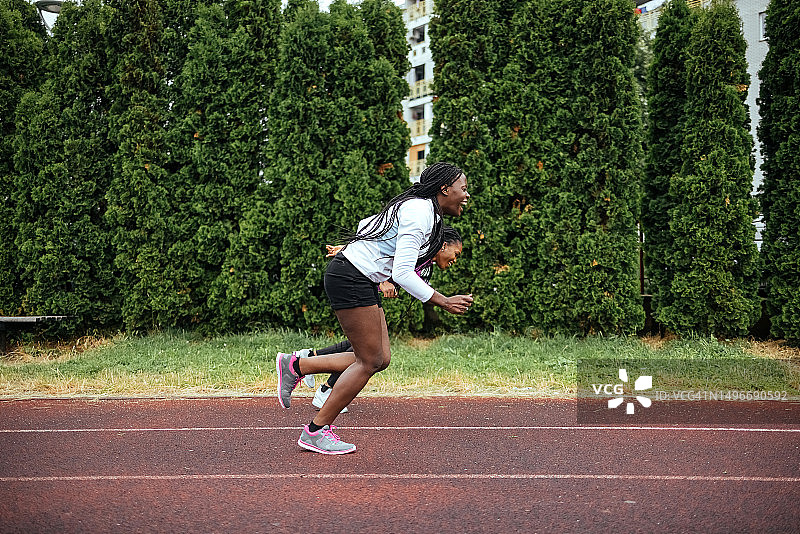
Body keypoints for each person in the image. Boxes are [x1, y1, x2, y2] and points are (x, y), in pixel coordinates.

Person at [276, 161, 472, 454]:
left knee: (380, 358)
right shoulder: (420, 213)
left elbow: (366, 225)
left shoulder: (421, 209)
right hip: (351, 277)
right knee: (368, 362)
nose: (466, 194)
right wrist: (442, 301)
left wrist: (360, 251)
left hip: (358, 276)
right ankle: (316, 431)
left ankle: (297, 365)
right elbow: (404, 273)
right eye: (463, 188)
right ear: (445, 188)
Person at [297, 226, 464, 414]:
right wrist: (381, 279)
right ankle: (321, 383)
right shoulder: (419, 247)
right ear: (443, 246)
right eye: (456, 253)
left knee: (370, 349)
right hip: (359, 285)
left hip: (367, 287)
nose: (455, 260)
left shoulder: (426, 261)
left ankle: (309, 360)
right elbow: (382, 249)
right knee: (369, 351)